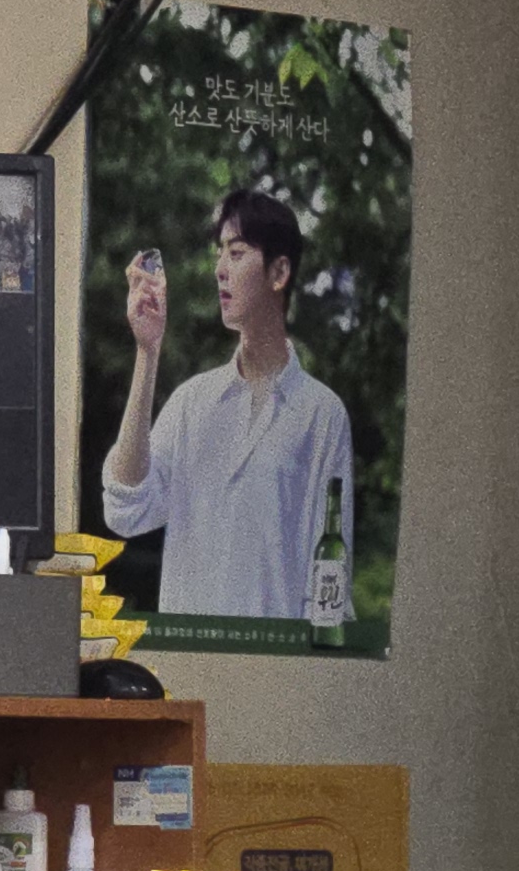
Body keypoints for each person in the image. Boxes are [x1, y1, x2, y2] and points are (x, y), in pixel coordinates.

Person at [100, 185, 355, 622]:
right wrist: (147, 351)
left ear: (279, 272)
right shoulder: (191, 402)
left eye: (236, 254)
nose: (219, 269)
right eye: (220, 254)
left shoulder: (322, 414)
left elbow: (330, 580)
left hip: (277, 656)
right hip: (190, 653)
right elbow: (125, 510)